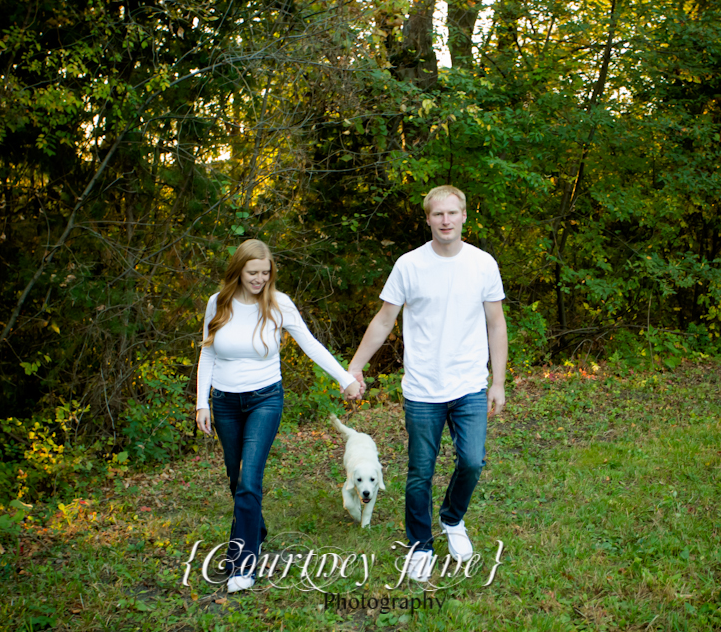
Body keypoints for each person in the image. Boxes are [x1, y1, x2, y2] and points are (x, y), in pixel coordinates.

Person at [347, 186, 507, 582]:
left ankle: (452, 518)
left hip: (469, 384)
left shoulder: (482, 264)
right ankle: (420, 545)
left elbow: (496, 323)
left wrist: (498, 382)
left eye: (452, 213)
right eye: (438, 214)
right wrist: (355, 367)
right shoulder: (409, 265)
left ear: (464, 215)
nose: (445, 220)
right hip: (422, 390)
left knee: (472, 461)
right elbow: (385, 319)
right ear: (428, 219)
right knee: (420, 471)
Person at [195, 239, 363, 593]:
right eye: (252, 273)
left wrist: (345, 378)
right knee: (235, 480)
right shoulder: (218, 302)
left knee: (249, 480)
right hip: (224, 402)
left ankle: (243, 562)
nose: (259, 279)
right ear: (238, 271)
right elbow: (207, 353)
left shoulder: (278, 303)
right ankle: (254, 530)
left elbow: (310, 343)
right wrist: (201, 403)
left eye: (265, 272)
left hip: (265, 400)